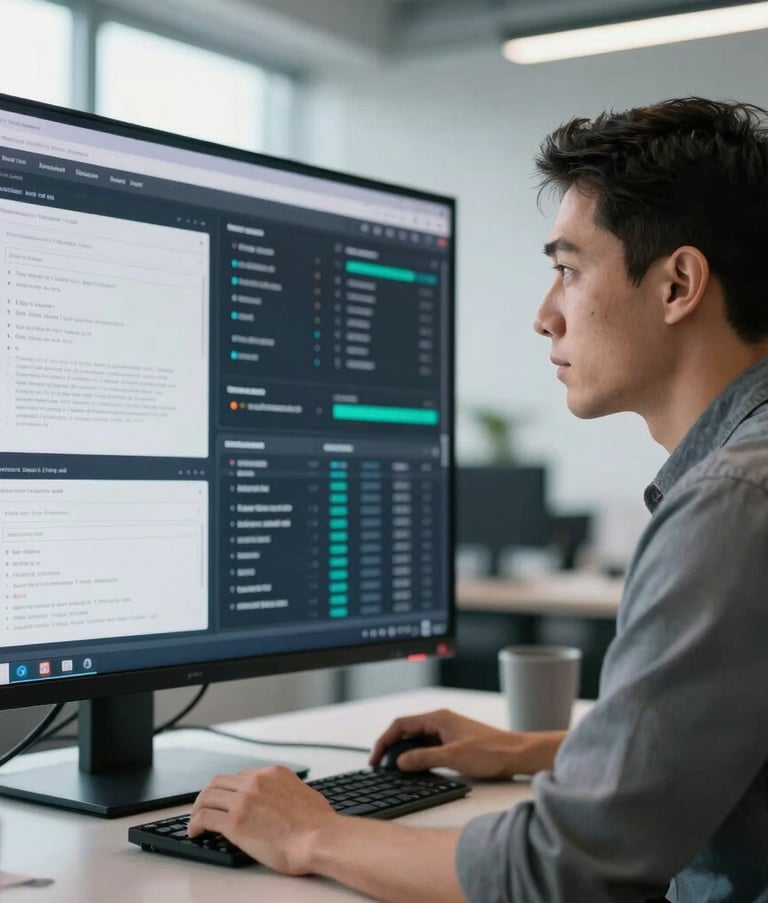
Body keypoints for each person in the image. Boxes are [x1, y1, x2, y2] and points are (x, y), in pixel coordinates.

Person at [189, 97, 768, 902]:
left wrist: (310, 832)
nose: (544, 315)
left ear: (678, 283)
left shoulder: (735, 502)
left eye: (568, 269)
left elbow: (567, 866)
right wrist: (535, 749)